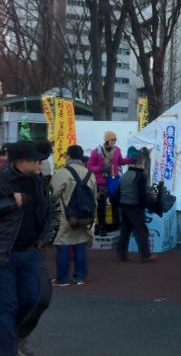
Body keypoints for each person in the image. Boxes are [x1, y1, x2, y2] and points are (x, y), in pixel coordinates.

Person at [0, 142, 54, 356]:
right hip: (4, 254)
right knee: (7, 306)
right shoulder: (3, 180)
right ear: (21, 162)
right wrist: (13, 203)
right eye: (36, 161)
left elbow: (48, 210)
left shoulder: (39, 182)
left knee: (33, 298)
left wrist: (44, 238)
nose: (40, 164)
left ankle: (10, 336)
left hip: (31, 252)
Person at [50, 145, 97, 286]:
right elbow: (94, 196)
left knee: (63, 245)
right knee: (80, 244)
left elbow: (53, 194)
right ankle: (80, 277)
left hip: (66, 216)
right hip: (85, 217)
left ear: (68, 156)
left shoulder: (63, 173)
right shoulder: (90, 174)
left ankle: (63, 279)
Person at [87, 131, 132, 235]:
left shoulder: (117, 150)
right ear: (106, 140)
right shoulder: (97, 151)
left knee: (115, 203)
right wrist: (101, 169)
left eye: (115, 140)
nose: (113, 142)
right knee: (101, 205)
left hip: (114, 181)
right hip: (101, 182)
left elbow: (120, 161)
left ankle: (115, 225)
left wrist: (131, 160)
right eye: (111, 139)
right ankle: (101, 227)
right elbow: (89, 166)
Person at [116, 150, 156, 263]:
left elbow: (118, 192)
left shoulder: (124, 175)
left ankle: (121, 255)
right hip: (135, 207)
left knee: (125, 231)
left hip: (123, 206)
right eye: (143, 162)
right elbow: (141, 194)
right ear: (140, 162)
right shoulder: (140, 176)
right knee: (141, 231)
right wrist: (145, 206)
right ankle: (145, 255)